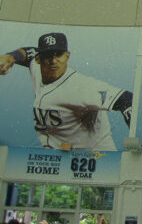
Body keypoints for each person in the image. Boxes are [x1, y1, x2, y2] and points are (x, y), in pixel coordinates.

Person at [0, 32, 133, 150]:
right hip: (59, 161)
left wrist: (135, 141)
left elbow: (127, 99)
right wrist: (11, 57)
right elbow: (29, 52)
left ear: (67, 56)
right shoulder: (37, 68)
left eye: (58, 54)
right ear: (38, 59)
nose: (53, 61)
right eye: (48, 55)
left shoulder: (81, 87)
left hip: (95, 161)